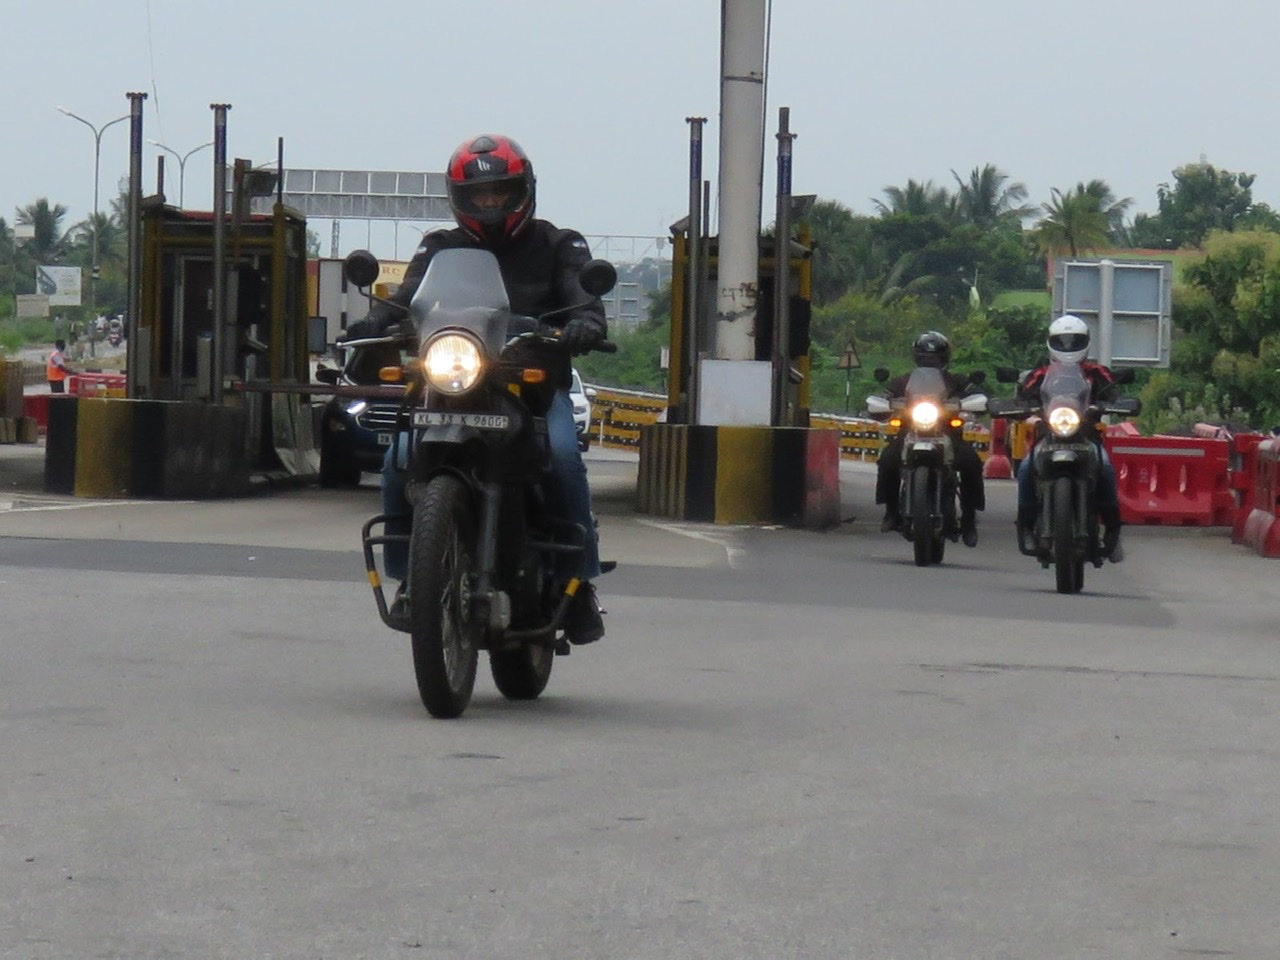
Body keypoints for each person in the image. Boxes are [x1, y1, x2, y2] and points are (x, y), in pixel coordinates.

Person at [341, 134, 608, 644]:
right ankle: (412, 580)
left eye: (499, 192)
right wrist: (375, 319)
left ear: (522, 190)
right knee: (398, 459)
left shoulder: (560, 245)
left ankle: (582, 585)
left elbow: (582, 298)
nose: (489, 203)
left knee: (564, 458)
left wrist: (585, 323)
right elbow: (407, 298)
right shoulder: (440, 247)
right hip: (450, 384)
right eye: (479, 194)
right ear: (460, 197)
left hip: (529, 384)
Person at [1015, 314, 1124, 562]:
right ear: (1051, 343)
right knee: (1025, 471)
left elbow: (1114, 395)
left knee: (1106, 469)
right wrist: (1025, 412)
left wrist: (1108, 405)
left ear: (1085, 342)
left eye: (1073, 342)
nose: (1067, 347)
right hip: (1048, 437)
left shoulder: (1098, 373)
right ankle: (1026, 527)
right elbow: (1024, 399)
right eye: (1061, 342)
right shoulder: (1040, 374)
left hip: (1087, 437)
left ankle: (1113, 530)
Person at [875, 331, 986, 547]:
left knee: (972, 463)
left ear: (945, 358)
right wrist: (881, 403)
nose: (930, 361)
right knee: (888, 459)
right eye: (925, 357)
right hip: (909, 432)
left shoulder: (956, 381)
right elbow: (884, 396)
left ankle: (969, 518)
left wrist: (973, 402)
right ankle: (891, 511)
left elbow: (978, 396)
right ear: (917, 357)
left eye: (935, 358)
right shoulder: (904, 381)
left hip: (948, 434)